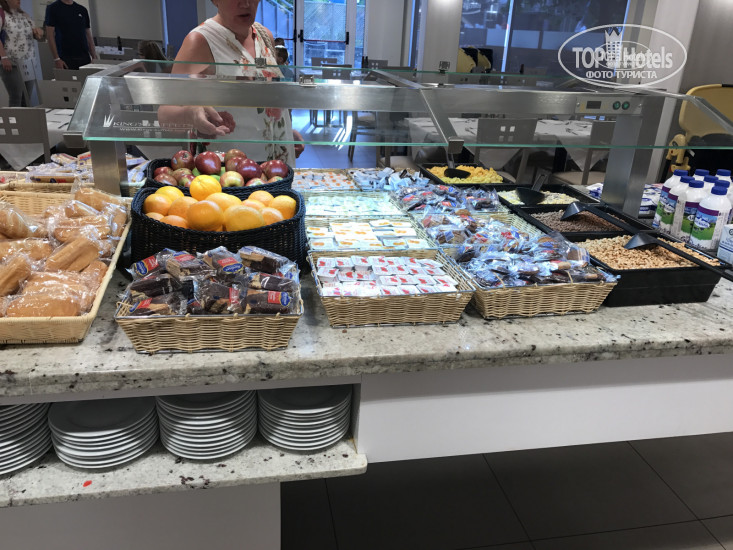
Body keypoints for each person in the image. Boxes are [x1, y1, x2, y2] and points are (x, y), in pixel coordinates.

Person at [158, 0, 303, 162]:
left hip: (273, 162)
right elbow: (164, 115)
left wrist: (284, 131)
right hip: (228, 163)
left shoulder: (264, 36)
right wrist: (190, 114)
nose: (245, 3)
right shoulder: (201, 41)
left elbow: (263, 101)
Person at [0, 0, 43, 106]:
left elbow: (37, 35)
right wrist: (3, 57)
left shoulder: (24, 15)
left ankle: (26, 117)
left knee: (27, 98)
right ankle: (14, 117)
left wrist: (38, 32)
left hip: (29, 62)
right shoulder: (2, 14)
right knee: (16, 97)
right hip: (12, 62)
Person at [44, 0, 96, 70]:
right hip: (65, 58)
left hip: (84, 57)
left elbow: (88, 35)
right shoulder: (53, 8)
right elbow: (50, 35)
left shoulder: (82, 9)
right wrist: (56, 59)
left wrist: (94, 56)